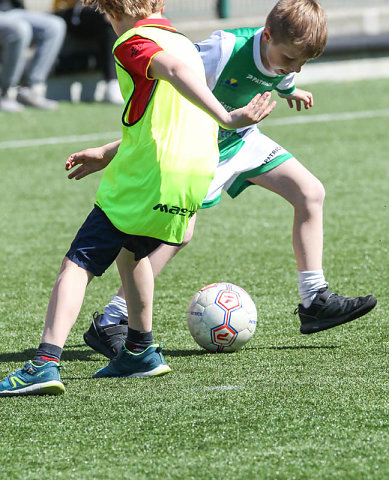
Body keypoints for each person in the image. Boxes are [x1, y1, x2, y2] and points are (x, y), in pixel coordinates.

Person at [68, 0, 377, 361]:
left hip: (244, 141)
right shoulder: (223, 48)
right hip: (200, 150)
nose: (295, 68)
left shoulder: (285, 56)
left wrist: (290, 88)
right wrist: (108, 152)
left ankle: (314, 300)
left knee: (310, 193)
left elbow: (278, 74)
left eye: (302, 63)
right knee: (179, 235)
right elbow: (166, 102)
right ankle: (112, 320)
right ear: (266, 36)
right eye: (291, 60)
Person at [0, 0, 274, 396]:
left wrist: (228, 118)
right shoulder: (182, 42)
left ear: (113, 12)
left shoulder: (134, 41)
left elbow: (171, 72)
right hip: (193, 175)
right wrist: (106, 153)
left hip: (149, 174)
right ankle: (140, 350)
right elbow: (166, 119)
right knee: (133, 253)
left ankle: (45, 362)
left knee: (78, 262)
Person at [0, 0, 66, 112]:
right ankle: (5, 93)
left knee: (55, 26)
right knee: (20, 29)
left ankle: (30, 90)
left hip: (11, 10)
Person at [53, 0, 122, 104]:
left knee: (120, 15)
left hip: (100, 9)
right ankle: (112, 83)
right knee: (110, 17)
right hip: (69, 10)